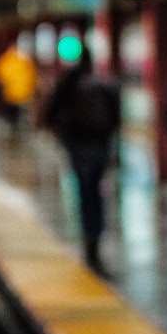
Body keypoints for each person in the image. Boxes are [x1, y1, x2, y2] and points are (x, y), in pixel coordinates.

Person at [44, 48, 120, 276]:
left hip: (78, 146)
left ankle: (90, 235)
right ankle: (96, 234)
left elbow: (50, 112)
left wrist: (61, 131)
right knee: (97, 190)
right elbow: (116, 117)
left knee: (85, 190)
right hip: (100, 146)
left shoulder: (69, 83)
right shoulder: (103, 84)